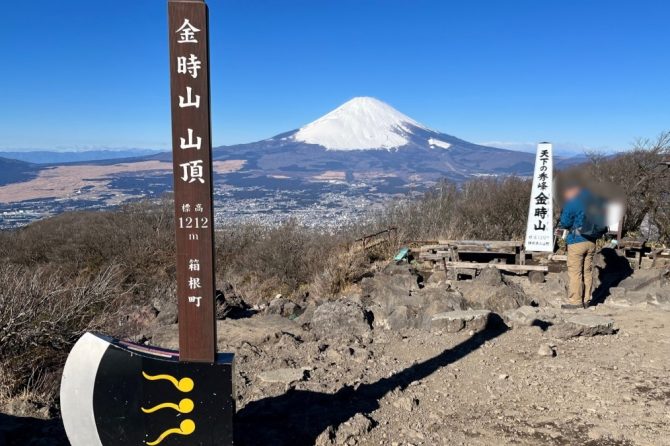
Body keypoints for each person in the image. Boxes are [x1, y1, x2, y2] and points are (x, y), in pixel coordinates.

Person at [559, 184, 596, 309]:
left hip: (577, 240)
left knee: (575, 272)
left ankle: (576, 302)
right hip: (592, 241)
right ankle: (586, 300)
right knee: (587, 271)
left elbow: (565, 222)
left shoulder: (574, 201)